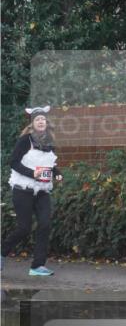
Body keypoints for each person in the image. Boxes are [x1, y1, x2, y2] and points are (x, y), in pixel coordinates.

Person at [2, 106, 62, 276]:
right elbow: (13, 162)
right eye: (37, 119)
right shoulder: (25, 141)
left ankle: (37, 266)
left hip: (42, 191)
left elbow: (51, 165)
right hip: (23, 190)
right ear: (32, 124)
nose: (41, 122)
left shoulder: (49, 142)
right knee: (24, 228)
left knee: (45, 224)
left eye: (43, 119)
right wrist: (32, 173)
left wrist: (57, 174)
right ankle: (2, 253)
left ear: (46, 123)